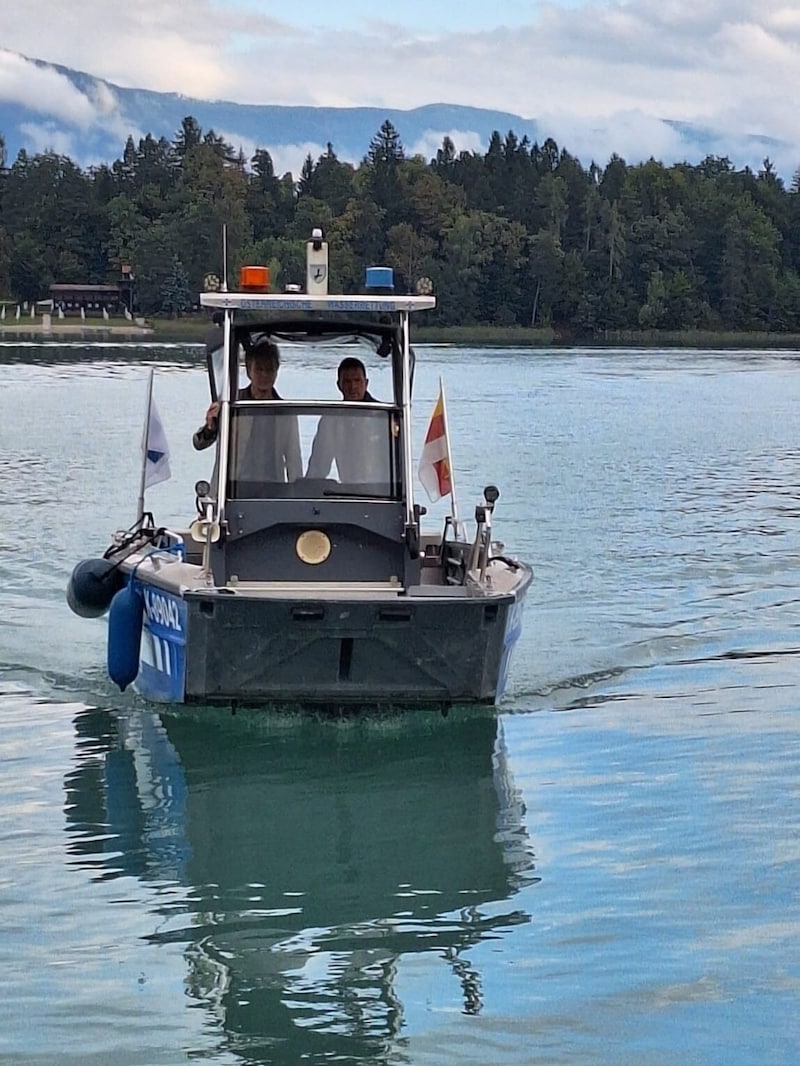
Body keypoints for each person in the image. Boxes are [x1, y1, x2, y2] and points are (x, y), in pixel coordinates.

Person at [193, 339, 302, 483]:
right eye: (259, 369)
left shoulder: (286, 412)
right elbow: (199, 443)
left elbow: (293, 459)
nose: (264, 375)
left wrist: (298, 495)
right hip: (233, 490)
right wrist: (210, 428)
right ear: (249, 370)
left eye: (269, 369)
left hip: (273, 491)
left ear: (276, 371)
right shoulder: (231, 403)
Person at [305, 356, 390, 484]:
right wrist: (307, 491)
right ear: (339, 385)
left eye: (357, 380)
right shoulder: (331, 419)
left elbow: (396, 463)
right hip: (348, 492)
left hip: (382, 492)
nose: (353, 386)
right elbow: (318, 465)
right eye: (347, 382)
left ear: (366, 383)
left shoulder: (384, 416)